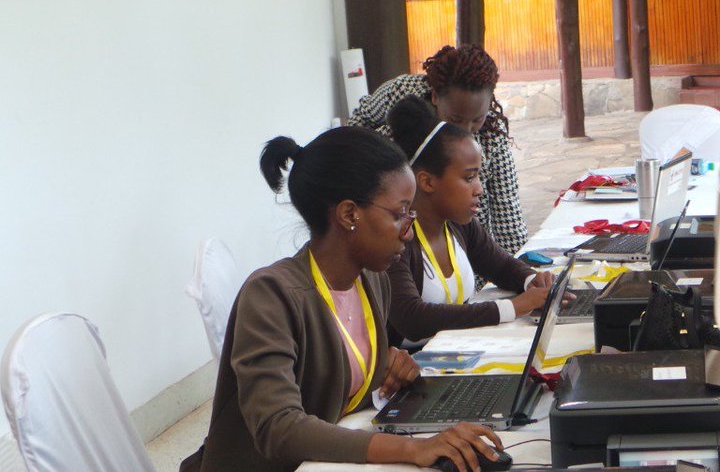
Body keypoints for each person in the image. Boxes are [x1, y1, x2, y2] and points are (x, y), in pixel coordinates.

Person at [181, 126, 503, 472]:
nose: (409, 232)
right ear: (349, 214)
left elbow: (329, 377)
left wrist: (385, 367)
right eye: (400, 214)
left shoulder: (372, 281)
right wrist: (411, 448)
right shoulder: (271, 295)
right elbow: (278, 427)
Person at [384, 96, 555, 347]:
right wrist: (511, 308)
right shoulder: (396, 240)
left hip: (460, 353)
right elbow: (413, 318)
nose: (480, 189)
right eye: (469, 178)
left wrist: (531, 281)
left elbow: (500, 266)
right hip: (415, 370)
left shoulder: (457, 224)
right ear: (427, 182)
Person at [349, 44, 527, 256]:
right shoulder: (401, 94)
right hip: (406, 248)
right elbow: (358, 126)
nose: (466, 130)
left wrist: (519, 269)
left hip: (470, 257)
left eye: (477, 119)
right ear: (434, 96)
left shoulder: (492, 136)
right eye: (455, 119)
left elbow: (509, 219)